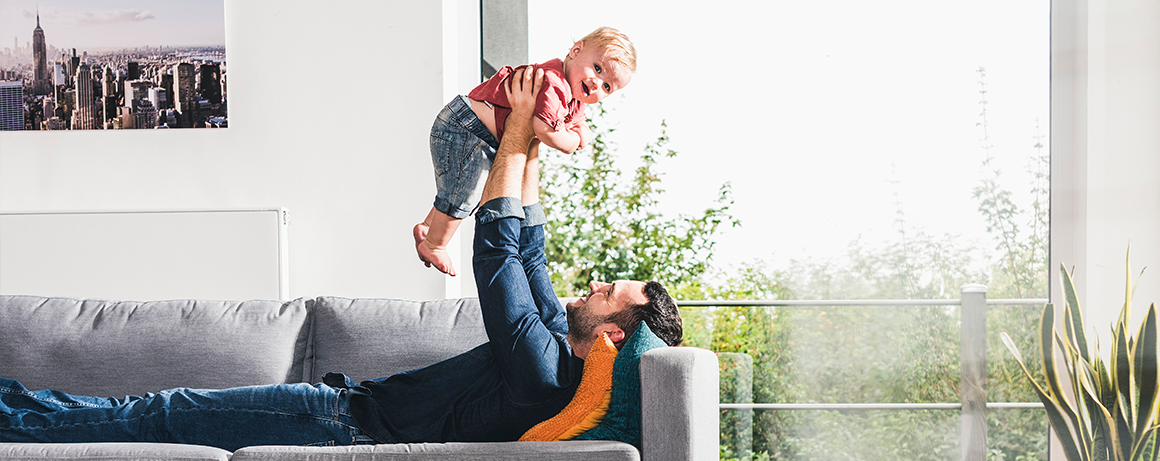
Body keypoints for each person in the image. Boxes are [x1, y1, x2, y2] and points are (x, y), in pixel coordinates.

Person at [0, 67, 682, 451]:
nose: (593, 284)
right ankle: (18, 406)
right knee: (158, 408)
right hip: (341, 407)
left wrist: (517, 137)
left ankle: (13, 418)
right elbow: (528, 247)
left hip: (337, 422)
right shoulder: (553, 349)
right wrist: (525, 138)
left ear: (615, 332)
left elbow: (500, 251)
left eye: (608, 291)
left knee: (165, 411)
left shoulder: (542, 371)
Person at [414, 26, 637, 276]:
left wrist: (582, 131)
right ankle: (435, 244)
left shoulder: (573, 96)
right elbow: (544, 129)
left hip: (477, 134)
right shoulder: (554, 84)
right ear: (575, 51)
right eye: (597, 68)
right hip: (465, 126)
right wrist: (573, 142)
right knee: (463, 192)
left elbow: (579, 122)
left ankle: (428, 227)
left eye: (607, 87)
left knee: (463, 189)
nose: (597, 84)